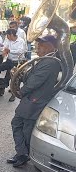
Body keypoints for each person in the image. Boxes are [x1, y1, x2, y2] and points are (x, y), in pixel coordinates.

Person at [7, 35, 61, 167]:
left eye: (40, 45)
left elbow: (32, 82)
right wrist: (21, 73)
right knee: (19, 125)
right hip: (31, 100)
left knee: (24, 128)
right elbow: (31, 76)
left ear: (49, 46)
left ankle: (23, 155)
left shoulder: (51, 62)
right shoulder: (44, 60)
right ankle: (22, 153)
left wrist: (20, 91)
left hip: (34, 102)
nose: (37, 48)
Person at [0, 29, 26, 102]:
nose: (7, 37)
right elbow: (4, 47)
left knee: (14, 78)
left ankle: (13, 94)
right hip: (9, 60)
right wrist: (4, 50)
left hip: (17, 62)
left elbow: (20, 51)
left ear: (11, 35)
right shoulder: (8, 40)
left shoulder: (21, 41)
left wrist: (10, 51)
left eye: (8, 35)